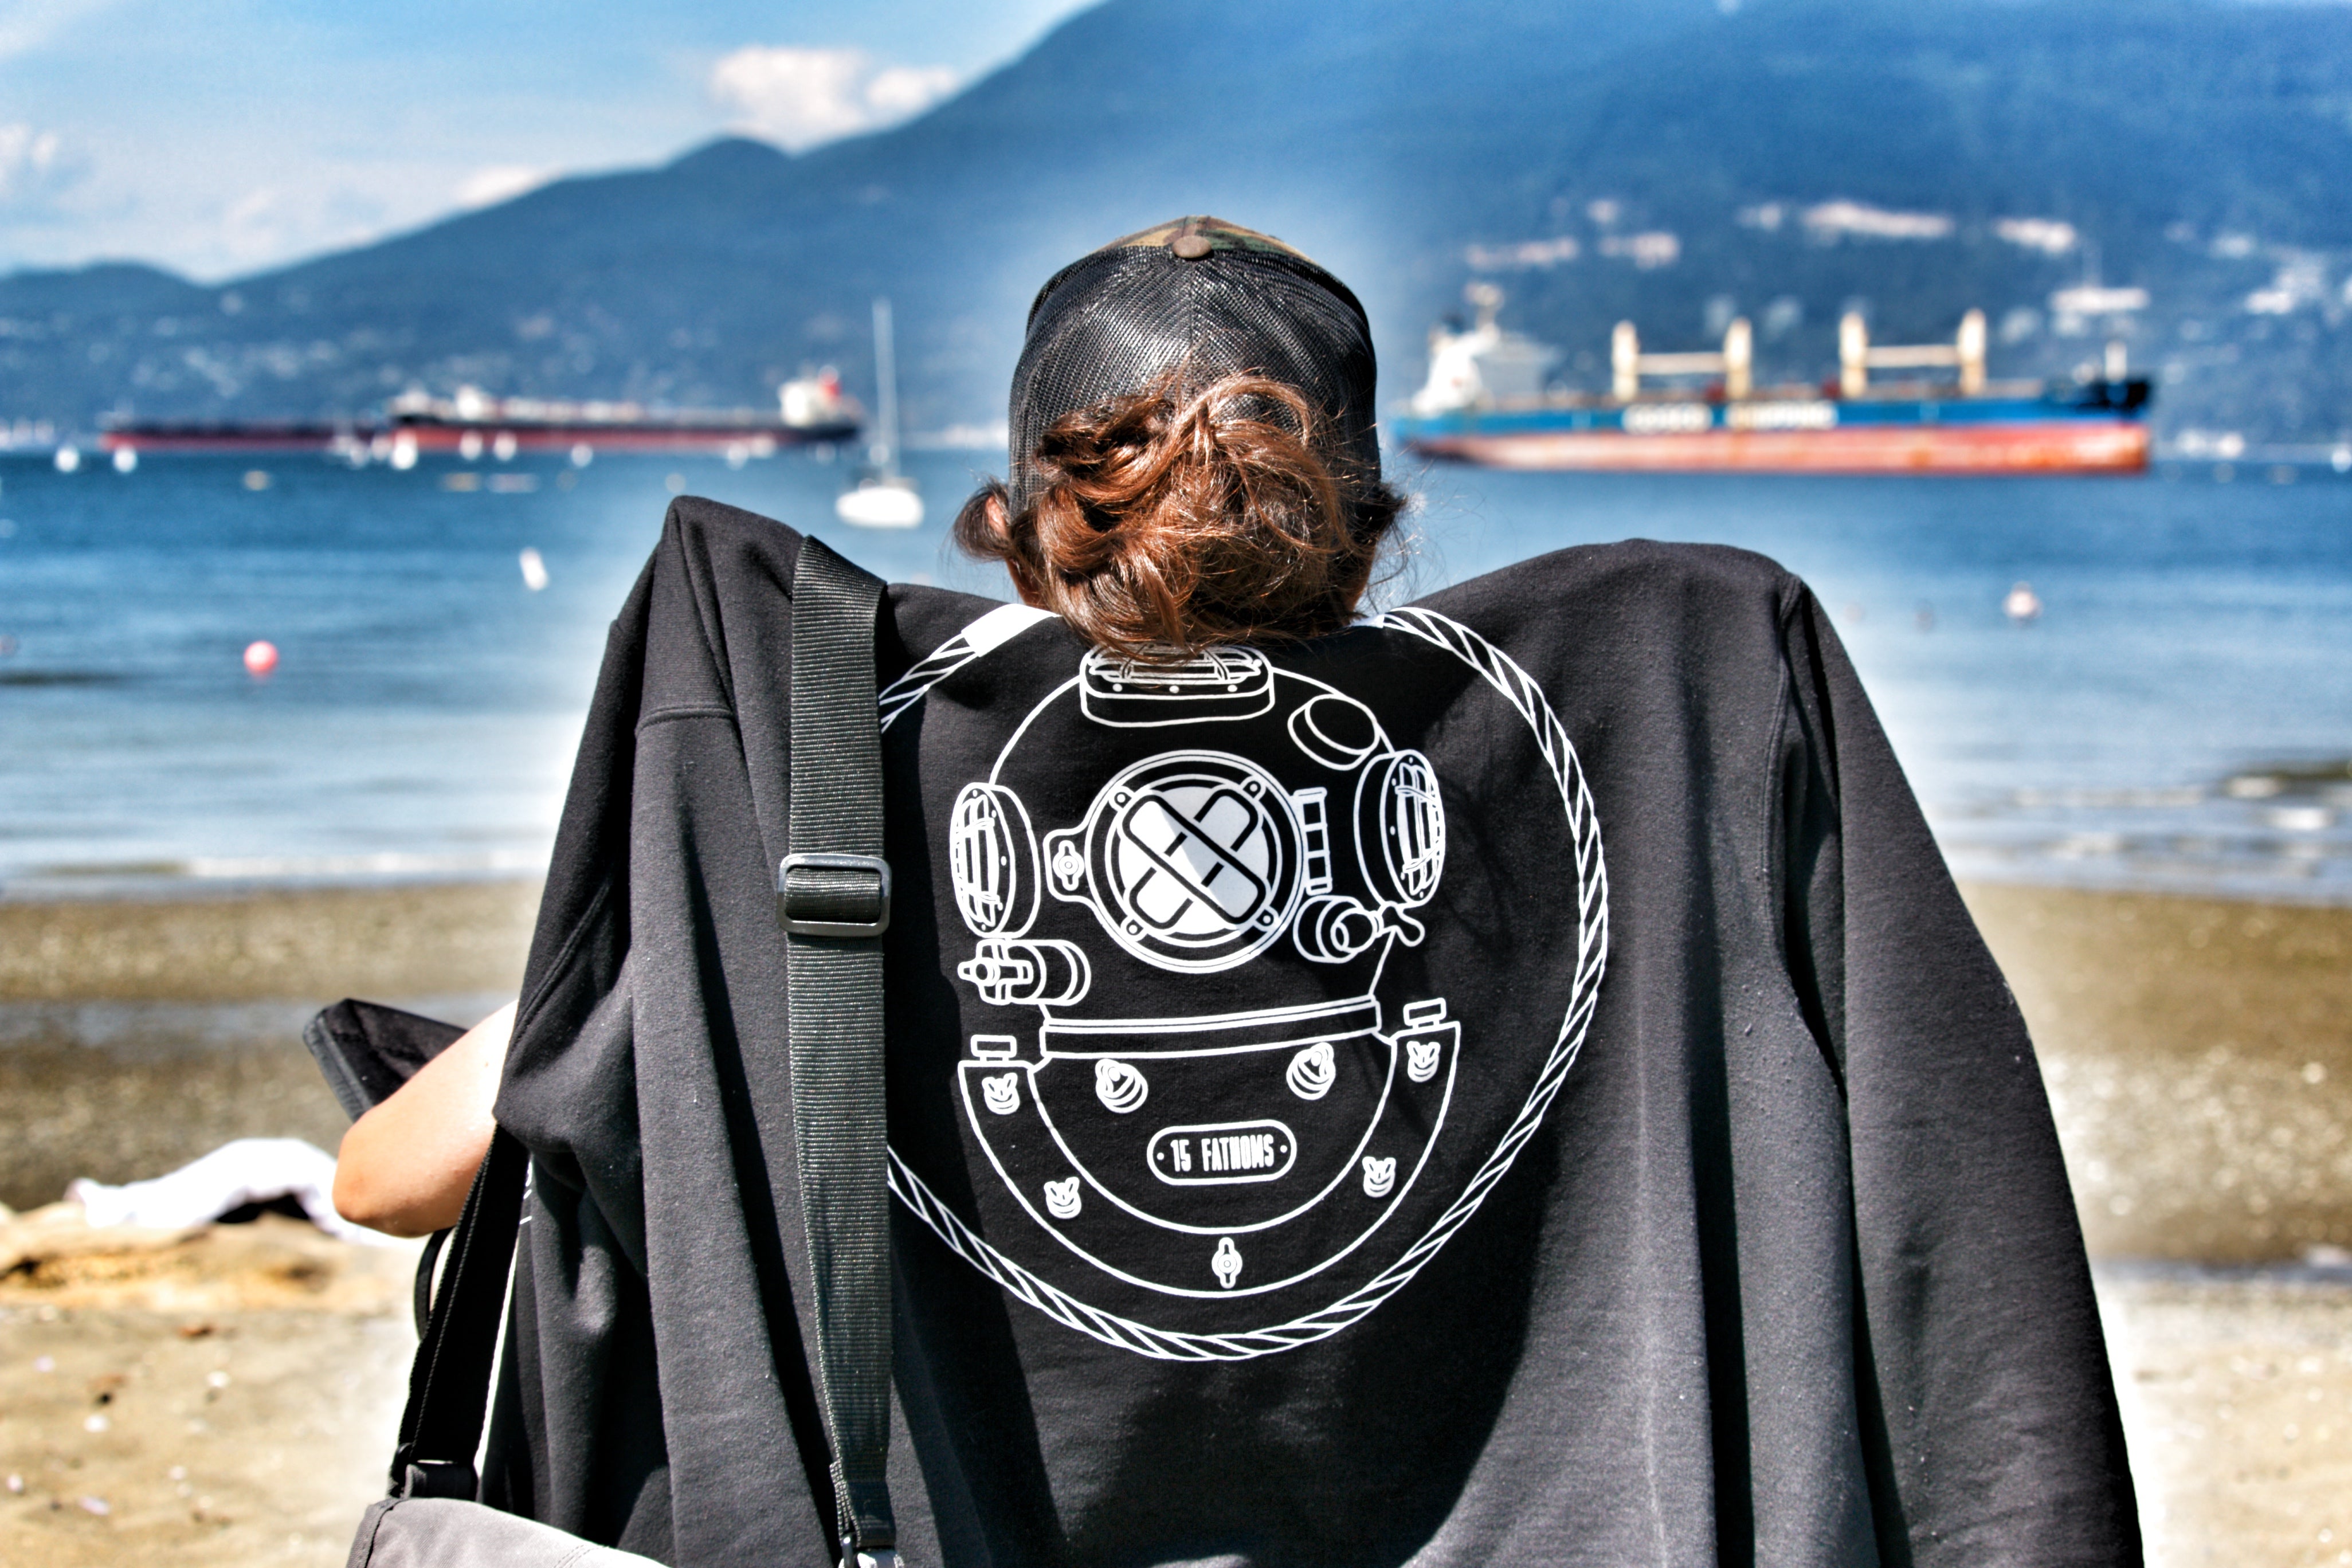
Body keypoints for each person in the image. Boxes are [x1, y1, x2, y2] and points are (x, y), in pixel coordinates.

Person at [336, 216, 2139, 1565]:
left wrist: (671, 955)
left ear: (1027, 529)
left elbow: (387, 1182)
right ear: (1368, 527)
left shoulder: (827, 799)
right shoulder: (1655, 717)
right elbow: (1951, 1221)